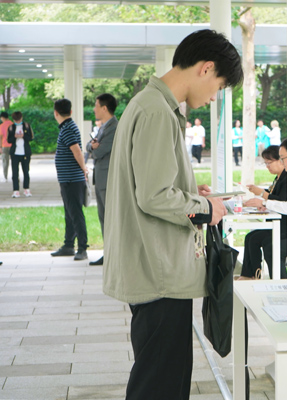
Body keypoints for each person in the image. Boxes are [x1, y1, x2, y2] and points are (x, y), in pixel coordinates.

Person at [102, 29, 242, 400]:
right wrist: (205, 208)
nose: (213, 97)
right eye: (218, 86)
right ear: (206, 68)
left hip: (155, 269)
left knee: (165, 378)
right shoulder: (156, 112)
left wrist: (193, 194)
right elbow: (154, 196)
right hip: (157, 272)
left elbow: (153, 185)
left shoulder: (152, 105)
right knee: (160, 384)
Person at [238, 144, 287, 280]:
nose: (267, 166)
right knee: (251, 238)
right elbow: (277, 200)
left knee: (268, 244)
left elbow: (282, 201)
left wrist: (262, 197)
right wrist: (263, 204)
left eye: (269, 162)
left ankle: (279, 281)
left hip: (285, 226)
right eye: (265, 163)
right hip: (278, 222)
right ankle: (250, 275)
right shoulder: (279, 178)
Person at [51, 99, 89, 261]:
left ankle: (82, 248)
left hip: (72, 179)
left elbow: (77, 151)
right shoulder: (68, 126)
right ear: (70, 111)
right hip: (68, 179)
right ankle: (68, 245)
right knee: (70, 213)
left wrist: (84, 169)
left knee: (76, 214)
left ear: (56, 113)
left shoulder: (67, 128)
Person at [86, 93, 118, 266]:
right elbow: (89, 145)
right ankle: (109, 253)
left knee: (110, 218)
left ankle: (113, 255)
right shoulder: (104, 126)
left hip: (108, 179)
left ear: (104, 108)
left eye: (96, 105)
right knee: (103, 217)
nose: (94, 109)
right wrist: (92, 146)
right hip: (100, 179)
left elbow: (99, 151)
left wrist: (93, 148)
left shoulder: (114, 127)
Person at [7, 111, 34, 198]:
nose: (17, 121)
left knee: (26, 171)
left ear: (21, 118)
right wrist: (15, 137)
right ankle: (16, 190)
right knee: (15, 172)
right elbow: (9, 140)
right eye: (16, 120)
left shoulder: (26, 126)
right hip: (15, 153)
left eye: (19, 120)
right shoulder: (11, 127)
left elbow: (31, 138)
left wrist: (23, 136)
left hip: (25, 152)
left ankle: (26, 189)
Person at [0, 112, 13, 183]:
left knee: (5, 162)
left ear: (2, 117)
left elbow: (0, 137)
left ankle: (5, 177)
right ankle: (15, 176)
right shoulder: (12, 124)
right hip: (13, 145)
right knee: (14, 162)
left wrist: (0, 147)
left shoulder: (1, 126)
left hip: (4, 145)